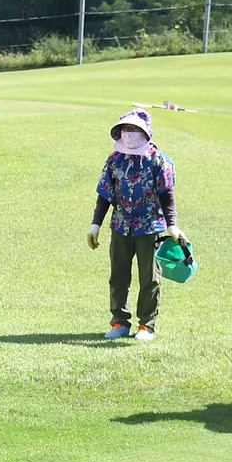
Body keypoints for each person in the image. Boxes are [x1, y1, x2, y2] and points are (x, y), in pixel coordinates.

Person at [87, 108, 183, 341]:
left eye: (134, 130)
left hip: (150, 227)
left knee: (149, 278)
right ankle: (119, 322)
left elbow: (167, 194)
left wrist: (172, 225)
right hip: (120, 227)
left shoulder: (159, 161)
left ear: (145, 133)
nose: (129, 134)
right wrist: (95, 225)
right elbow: (105, 195)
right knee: (118, 276)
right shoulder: (114, 160)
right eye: (126, 129)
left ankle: (146, 325)